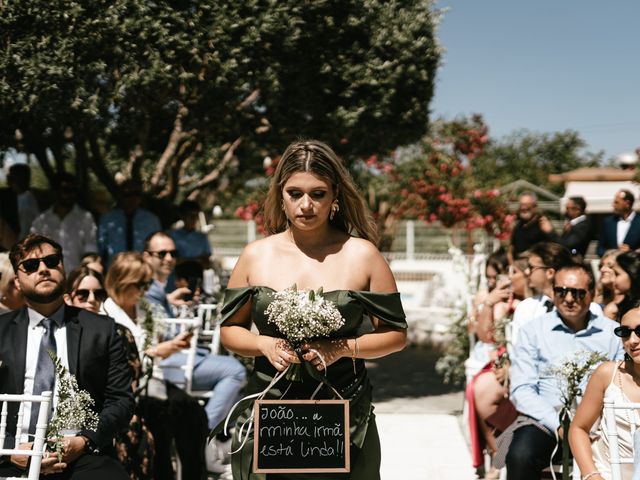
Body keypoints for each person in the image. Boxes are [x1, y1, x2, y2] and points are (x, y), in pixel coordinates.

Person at [219, 139, 408, 479]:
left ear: (335, 196)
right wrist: (263, 344)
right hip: (269, 410)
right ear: (281, 195)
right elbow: (229, 331)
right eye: (295, 193)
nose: (306, 205)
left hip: (344, 415)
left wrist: (340, 349)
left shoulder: (363, 255)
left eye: (318, 194)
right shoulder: (255, 255)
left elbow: (395, 336)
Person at [0, 234, 133, 479]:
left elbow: (120, 400)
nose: (43, 269)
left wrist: (83, 441)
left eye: (51, 261)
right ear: (17, 281)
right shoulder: (2, 331)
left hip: (81, 455)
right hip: (10, 453)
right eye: (30, 265)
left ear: (62, 267)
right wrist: (10, 449)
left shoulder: (101, 329)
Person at [499, 263, 624, 480]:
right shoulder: (534, 331)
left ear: (592, 294)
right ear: (552, 292)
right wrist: (559, 425)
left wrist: (588, 424)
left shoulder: (612, 333)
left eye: (577, 292)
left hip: (600, 424)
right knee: (520, 455)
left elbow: (621, 381)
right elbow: (521, 389)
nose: (568, 298)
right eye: (561, 291)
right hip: (546, 421)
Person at [142, 231, 247, 472]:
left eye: (173, 253)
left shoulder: (160, 288)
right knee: (235, 371)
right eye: (162, 253)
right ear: (146, 256)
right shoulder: (146, 287)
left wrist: (172, 302)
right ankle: (201, 433)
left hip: (180, 356)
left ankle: (210, 436)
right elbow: (151, 332)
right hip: (167, 362)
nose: (169, 258)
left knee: (238, 391)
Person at [64, 266, 155, 479]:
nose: (92, 299)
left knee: (134, 429)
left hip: (110, 413)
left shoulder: (116, 332)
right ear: (68, 298)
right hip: (67, 419)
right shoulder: (56, 333)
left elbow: (129, 385)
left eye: (99, 294)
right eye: (83, 294)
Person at [569, 302, 640, 480]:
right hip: (609, 474)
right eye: (625, 332)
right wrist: (592, 475)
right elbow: (578, 428)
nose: (632, 340)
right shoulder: (607, 374)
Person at [30, 172, 98, 272]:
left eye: (74, 190)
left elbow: (91, 251)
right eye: (66, 190)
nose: (71, 194)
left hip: (76, 280)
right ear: (55, 192)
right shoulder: (41, 221)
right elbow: (33, 251)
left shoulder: (86, 218)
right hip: (49, 278)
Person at [97, 180, 161, 267]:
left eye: (136, 193)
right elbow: (100, 249)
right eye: (127, 194)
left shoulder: (152, 220)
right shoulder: (107, 220)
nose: (132, 198)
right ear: (120, 196)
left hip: (144, 270)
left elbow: (158, 248)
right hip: (116, 270)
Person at [509, 192, 559, 259]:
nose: (523, 207)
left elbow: (555, 246)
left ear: (534, 206)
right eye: (521, 204)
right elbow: (511, 248)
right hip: (517, 264)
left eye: (527, 204)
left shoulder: (542, 223)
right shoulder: (518, 225)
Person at [168, 199, 212, 268]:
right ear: (182, 215)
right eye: (189, 215)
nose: (193, 218)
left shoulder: (202, 237)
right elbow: (172, 260)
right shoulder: (172, 236)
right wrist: (196, 260)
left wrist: (184, 260)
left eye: (195, 215)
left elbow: (207, 262)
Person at [597, 190, 640, 256]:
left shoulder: (638, 222)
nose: (613, 205)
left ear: (627, 203)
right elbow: (600, 248)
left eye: (616, 202)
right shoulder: (608, 222)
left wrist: (631, 252)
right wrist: (610, 253)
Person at [596, 250, 623, 319]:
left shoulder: (632, 303)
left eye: (609, 266)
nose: (602, 269)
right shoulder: (599, 298)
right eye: (601, 265)